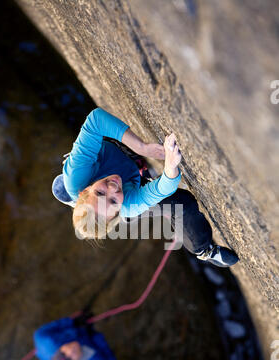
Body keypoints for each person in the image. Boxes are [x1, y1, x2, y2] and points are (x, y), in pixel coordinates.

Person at [52, 107, 238, 267]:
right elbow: (164, 188)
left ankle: (72, 196)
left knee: (65, 185)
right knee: (181, 203)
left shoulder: (76, 174)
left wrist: (141, 147)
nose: (112, 188)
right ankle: (204, 250)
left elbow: (95, 120)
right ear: (118, 212)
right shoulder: (128, 206)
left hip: (108, 161)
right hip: (131, 183)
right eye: (112, 201)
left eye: (100, 192)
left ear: (85, 190)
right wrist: (170, 166)